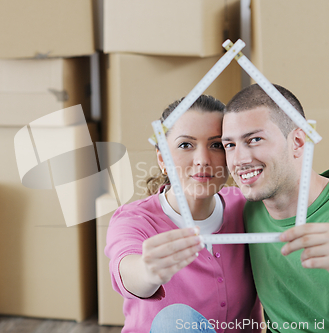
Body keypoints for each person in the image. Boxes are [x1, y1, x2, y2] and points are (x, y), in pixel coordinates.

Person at [221, 83, 329, 332]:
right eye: (229, 145)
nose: (239, 160)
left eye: (254, 139)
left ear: (298, 141)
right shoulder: (241, 211)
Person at [105, 95, 262, 333]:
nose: (202, 160)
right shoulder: (134, 220)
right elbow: (128, 270)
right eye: (186, 145)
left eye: (216, 145)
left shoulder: (247, 206)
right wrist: (148, 271)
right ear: (162, 159)